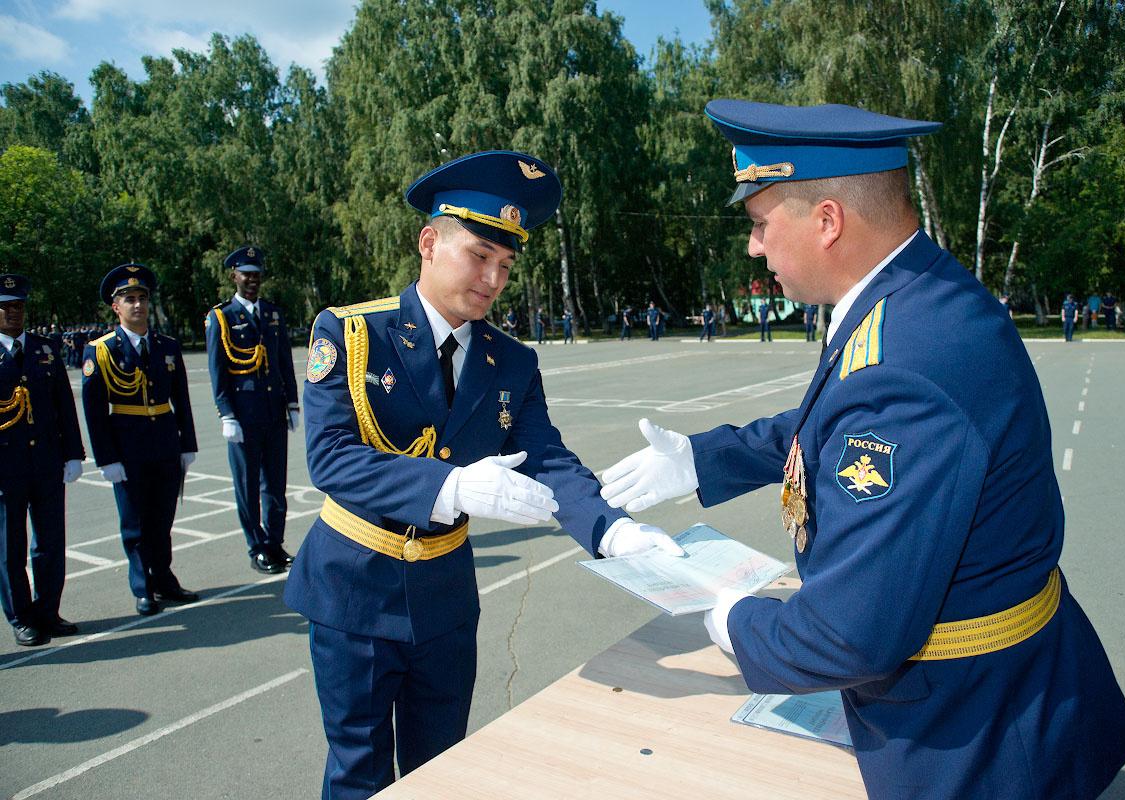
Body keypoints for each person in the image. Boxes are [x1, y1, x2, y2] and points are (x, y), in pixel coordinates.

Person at [599, 100, 1125, 800]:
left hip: (973, 732)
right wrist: (706, 458)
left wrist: (737, 621)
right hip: (1001, 691)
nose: (753, 247)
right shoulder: (917, 295)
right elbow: (833, 421)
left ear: (828, 221)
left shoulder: (904, 357)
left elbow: (850, 637)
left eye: (760, 224)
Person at [282, 150, 682, 799]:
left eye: (505, 265)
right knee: (357, 773)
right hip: (355, 590)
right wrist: (448, 488)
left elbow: (548, 459)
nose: (494, 279)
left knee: (442, 771)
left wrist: (613, 533)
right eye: (479, 255)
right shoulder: (356, 332)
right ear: (429, 242)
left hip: (444, 596)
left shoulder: (511, 362)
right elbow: (330, 457)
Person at [81, 265, 199, 617]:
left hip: (164, 443)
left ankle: (164, 578)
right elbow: (94, 411)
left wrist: (187, 443)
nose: (138, 305)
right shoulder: (100, 351)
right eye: (129, 299)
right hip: (128, 448)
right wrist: (107, 459)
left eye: (142, 298)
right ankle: (142, 586)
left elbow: (182, 398)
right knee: (134, 524)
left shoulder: (167, 346)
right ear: (115, 307)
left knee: (163, 519)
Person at [0, 275, 86, 646]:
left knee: (50, 540)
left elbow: (64, 406)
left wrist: (73, 454)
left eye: (18, 305)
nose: (13, 312)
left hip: (47, 460)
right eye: (5, 306)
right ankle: (21, 616)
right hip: (6, 466)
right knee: (10, 546)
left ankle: (48, 610)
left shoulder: (44, 349)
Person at [205, 247, 301, 574]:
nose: (252, 281)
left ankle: (275, 542)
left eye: (257, 275)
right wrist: (225, 413)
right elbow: (218, 370)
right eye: (246, 275)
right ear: (234, 276)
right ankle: (256, 546)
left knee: (275, 485)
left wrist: (292, 402)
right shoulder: (221, 317)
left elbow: (283, 362)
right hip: (243, 416)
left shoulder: (273, 313)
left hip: (274, 412)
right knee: (247, 486)